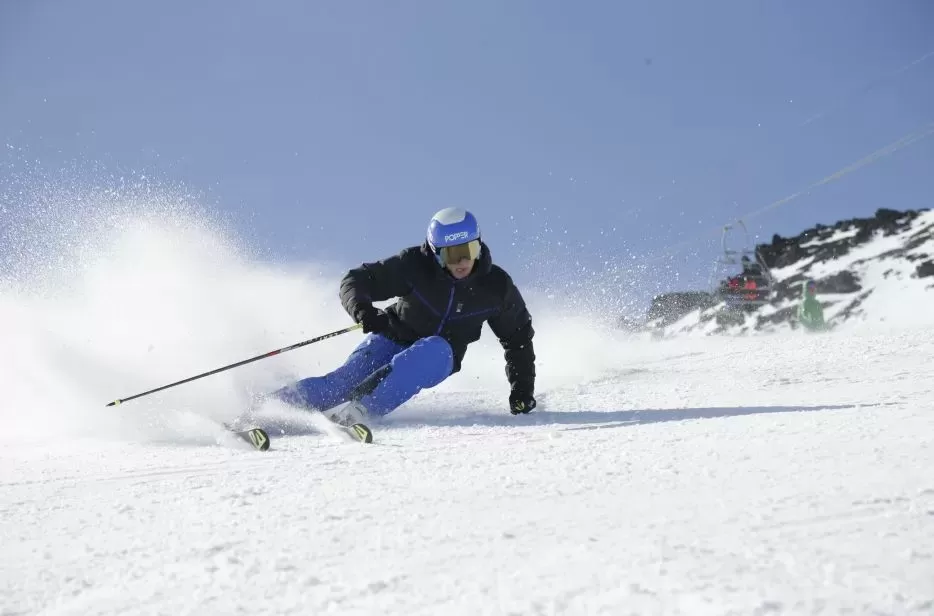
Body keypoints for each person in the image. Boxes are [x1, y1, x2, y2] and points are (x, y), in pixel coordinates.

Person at [267, 207, 537, 427]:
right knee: (341, 384)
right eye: (452, 254)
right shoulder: (414, 265)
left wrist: (522, 391)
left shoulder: (496, 287)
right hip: (393, 337)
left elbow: (518, 338)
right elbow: (356, 280)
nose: (462, 262)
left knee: (432, 349)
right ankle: (265, 410)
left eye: (469, 251)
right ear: (435, 253)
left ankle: (359, 413)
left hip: (439, 356)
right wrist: (363, 310)